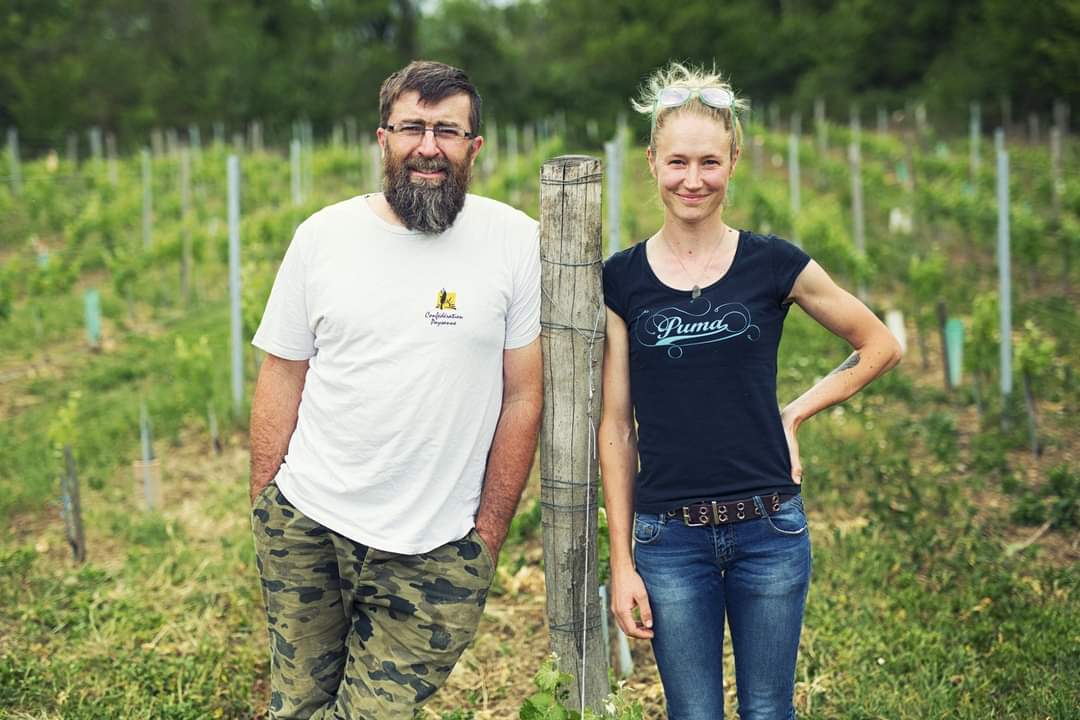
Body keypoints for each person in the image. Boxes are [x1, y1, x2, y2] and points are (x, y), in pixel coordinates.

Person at [599, 62, 902, 720]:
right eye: (677, 162)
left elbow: (880, 344)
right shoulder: (620, 281)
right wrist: (621, 560)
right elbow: (616, 427)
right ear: (651, 163)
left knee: (768, 711)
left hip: (770, 529)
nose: (693, 179)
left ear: (733, 161)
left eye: (709, 162)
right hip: (669, 538)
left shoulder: (773, 263)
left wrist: (797, 410)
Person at [248, 60, 543, 719]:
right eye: (411, 127)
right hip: (309, 528)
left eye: (447, 130)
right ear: (382, 137)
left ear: (475, 146)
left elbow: (525, 396)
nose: (428, 146)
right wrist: (267, 503)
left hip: (436, 550)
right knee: (296, 707)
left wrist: (486, 536)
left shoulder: (516, 241)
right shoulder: (323, 237)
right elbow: (282, 370)